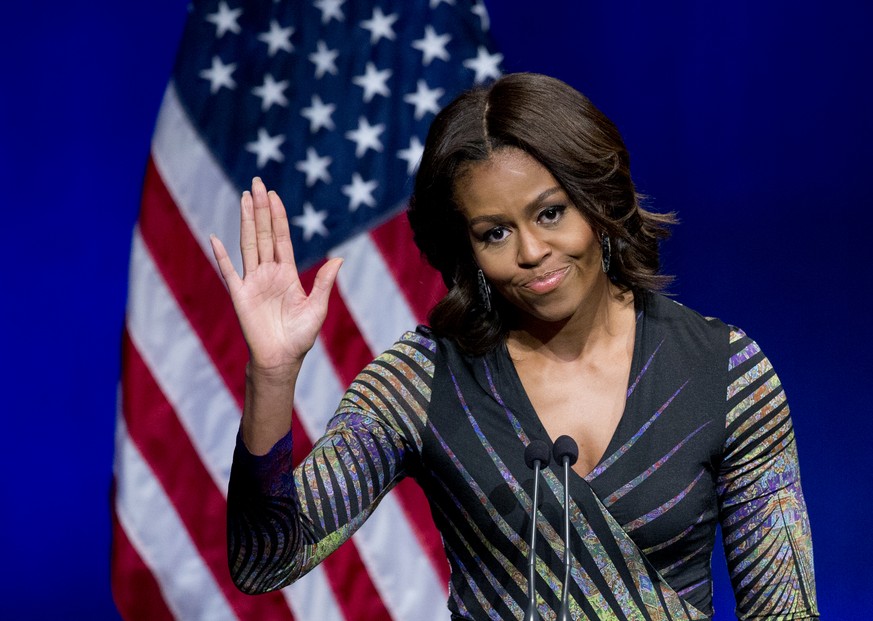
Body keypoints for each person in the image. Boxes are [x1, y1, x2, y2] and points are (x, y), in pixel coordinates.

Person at [210, 73, 818, 620]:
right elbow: (265, 561)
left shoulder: (725, 372)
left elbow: (785, 613)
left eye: (550, 214)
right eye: (495, 233)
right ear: (467, 249)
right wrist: (272, 374)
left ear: (598, 200)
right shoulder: (420, 380)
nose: (530, 251)